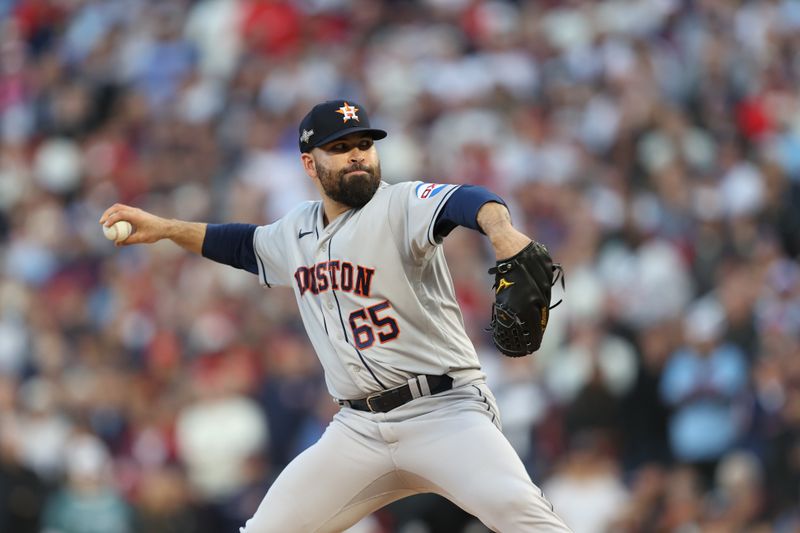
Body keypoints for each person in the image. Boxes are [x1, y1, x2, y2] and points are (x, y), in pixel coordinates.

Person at [100, 99, 571, 532]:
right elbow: (240, 244)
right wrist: (164, 229)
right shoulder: (296, 229)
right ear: (309, 163)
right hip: (358, 430)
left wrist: (501, 229)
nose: (357, 155)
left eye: (364, 144)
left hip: (444, 412)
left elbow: (466, 200)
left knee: (524, 518)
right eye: (340, 148)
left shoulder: (399, 205)